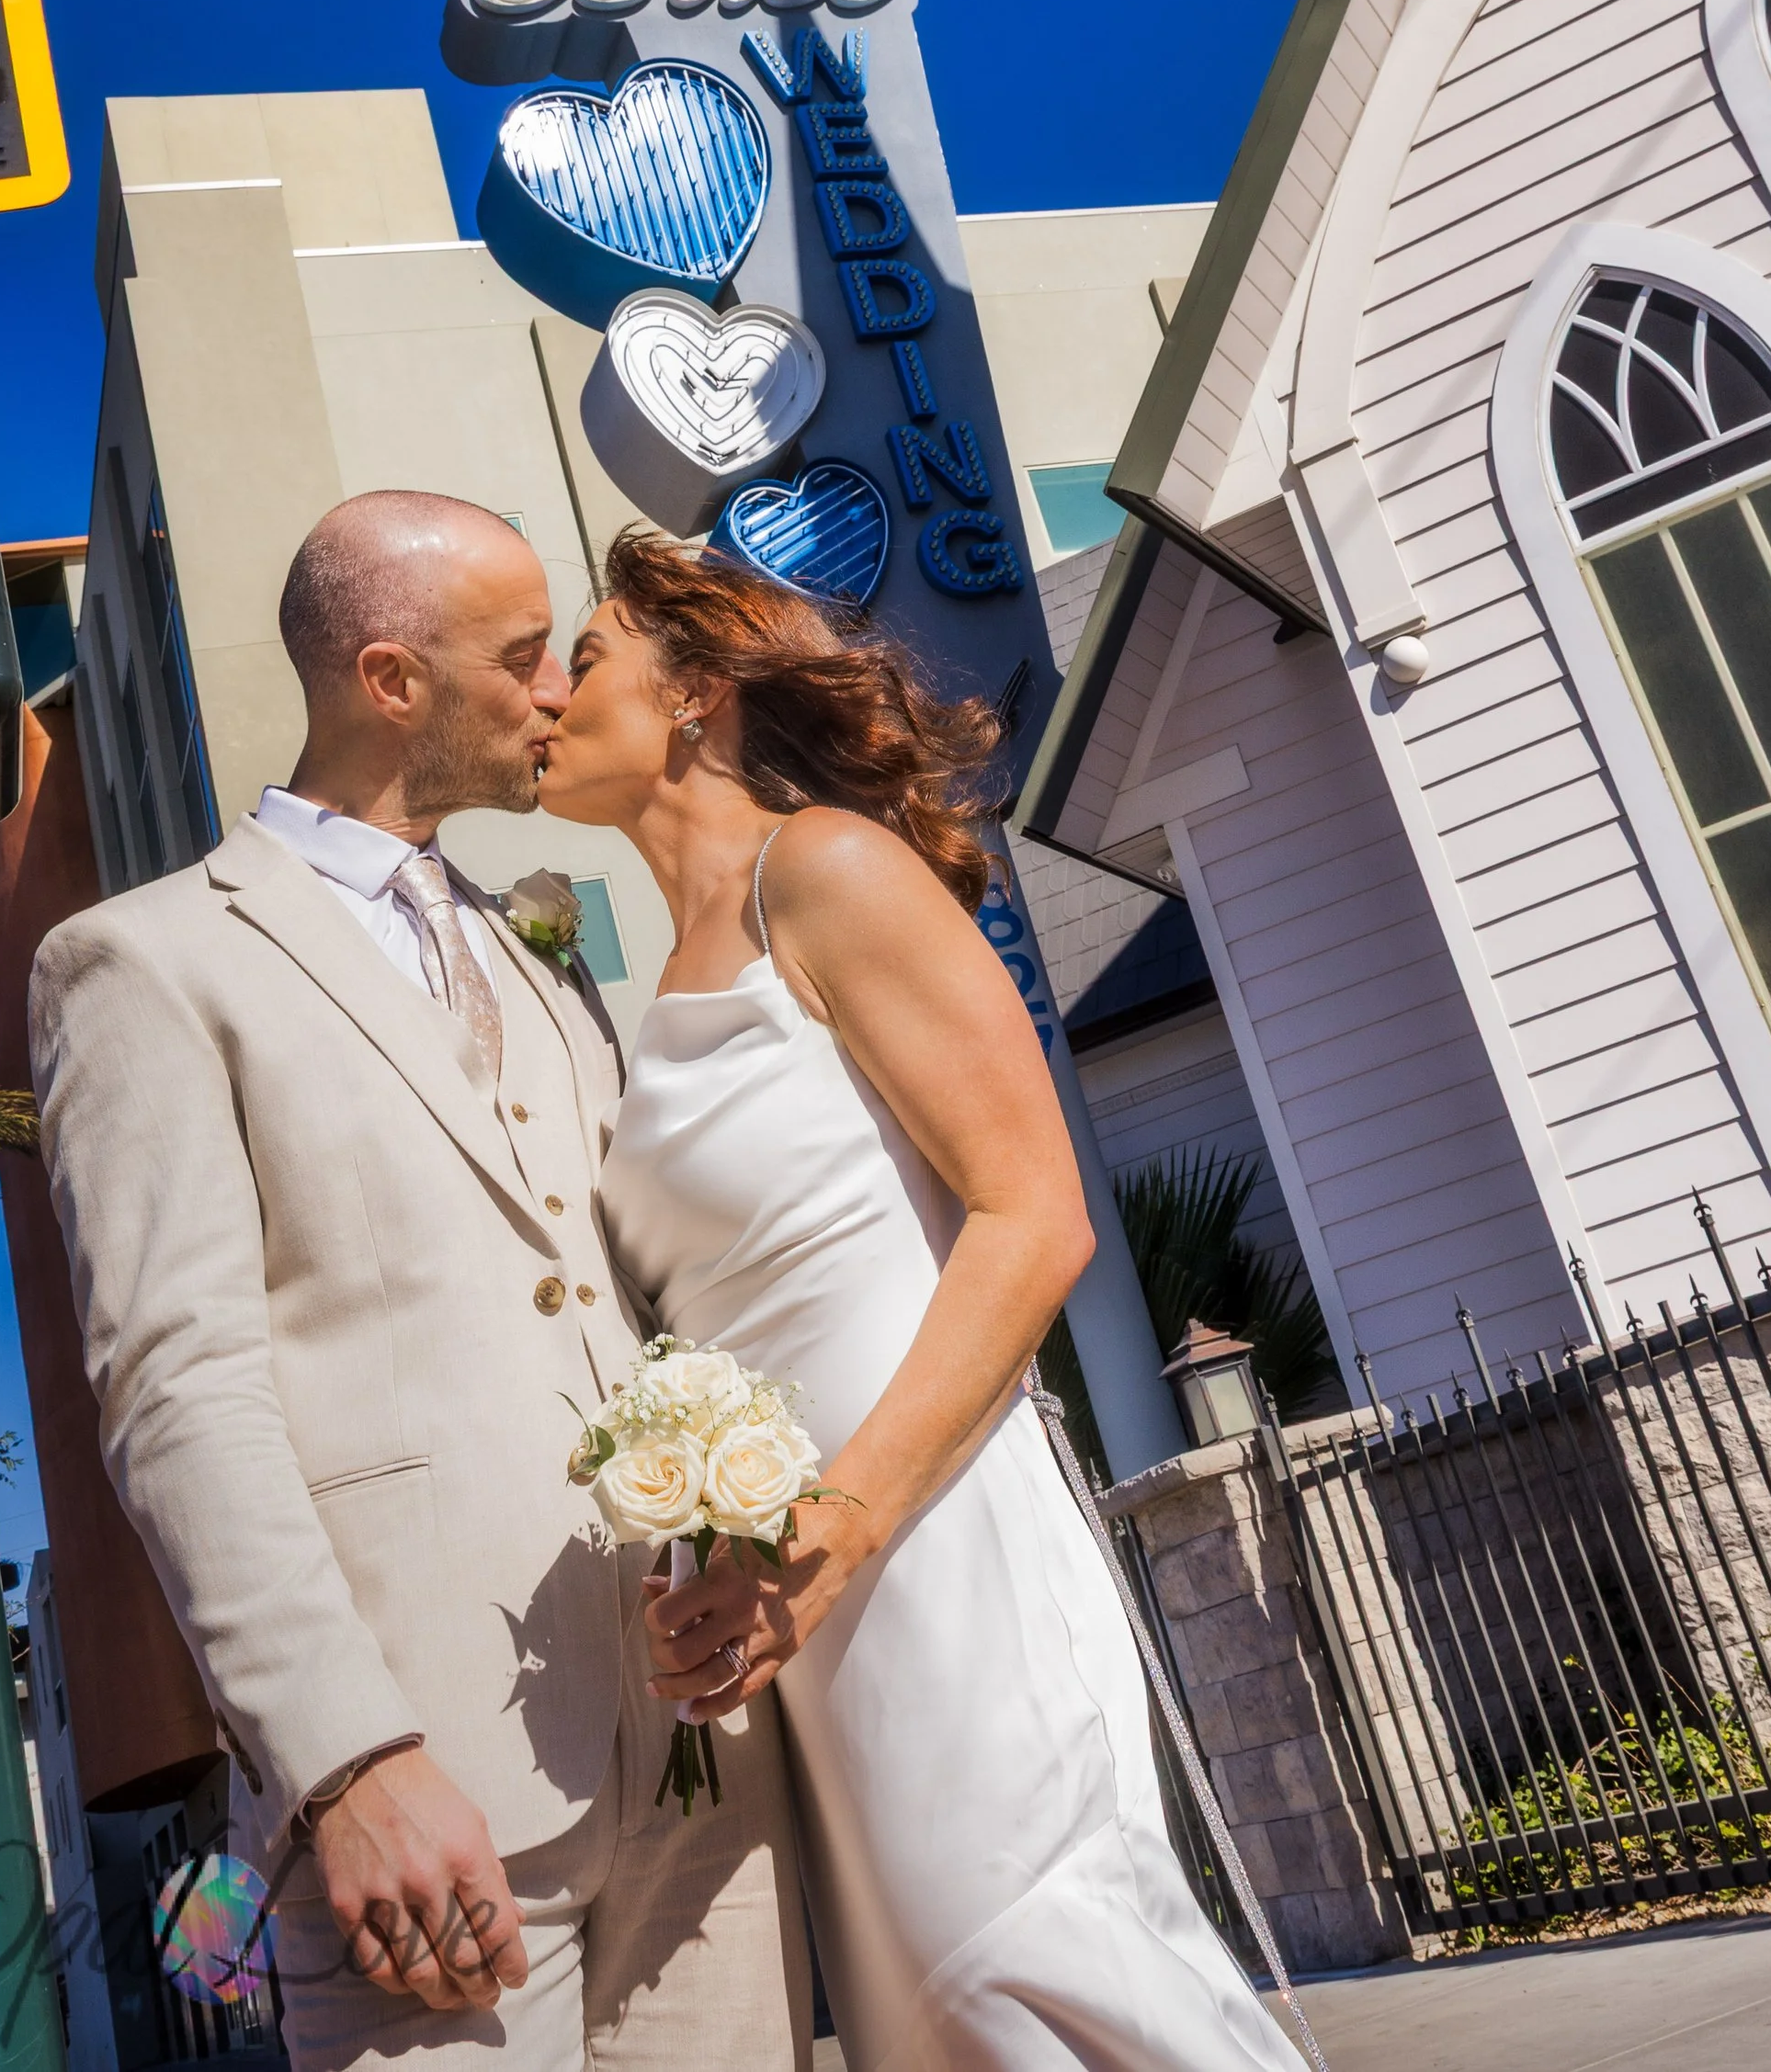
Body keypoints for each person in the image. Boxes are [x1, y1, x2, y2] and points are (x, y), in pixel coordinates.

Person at [32, 491, 810, 2072]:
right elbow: (177, 1390)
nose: (554, 691)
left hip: (698, 1769)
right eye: (524, 656)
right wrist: (342, 1762)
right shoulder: (144, 962)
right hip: (419, 1793)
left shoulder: (543, 948)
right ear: (391, 680)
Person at [539, 526, 1300, 2072]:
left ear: (693, 691)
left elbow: (1035, 1215)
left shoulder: (821, 868)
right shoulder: (643, 989)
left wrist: (838, 1526)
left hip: (930, 1544)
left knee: (1039, 1973)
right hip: (801, 1618)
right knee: (934, 2029)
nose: (551, 693)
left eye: (587, 654)